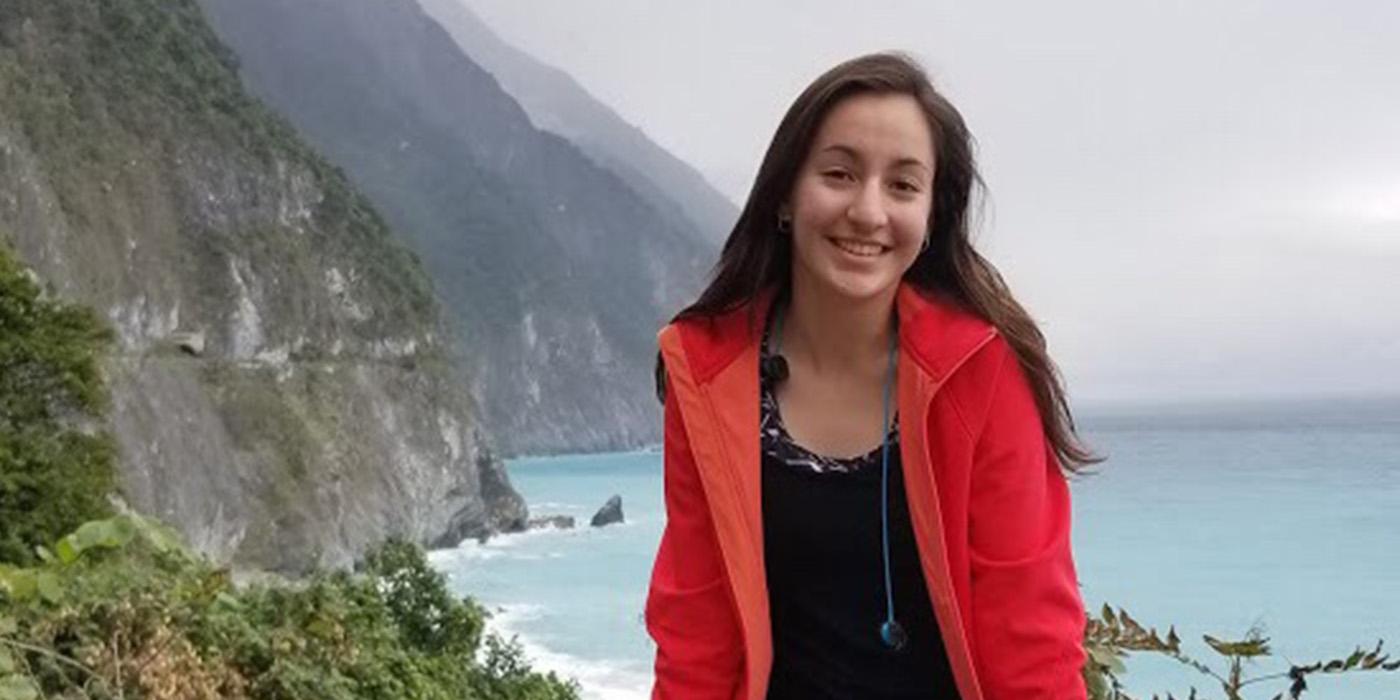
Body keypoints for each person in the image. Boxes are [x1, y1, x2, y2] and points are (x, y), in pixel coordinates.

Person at [646, 52, 1098, 699]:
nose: (867, 211)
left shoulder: (981, 374)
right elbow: (696, 634)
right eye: (839, 173)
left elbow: (1031, 648)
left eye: (903, 186)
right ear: (783, 193)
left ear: (932, 216)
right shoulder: (710, 372)